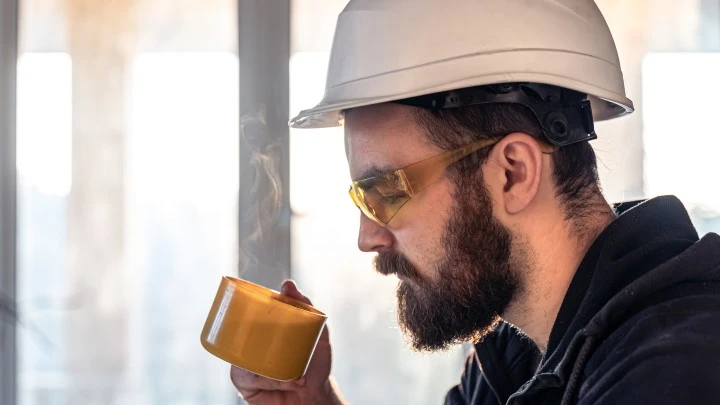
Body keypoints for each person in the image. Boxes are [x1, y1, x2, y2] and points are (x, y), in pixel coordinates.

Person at [230, 0, 720, 403]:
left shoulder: (676, 368)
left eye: (387, 191)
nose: (368, 237)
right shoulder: (516, 355)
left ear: (513, 173)